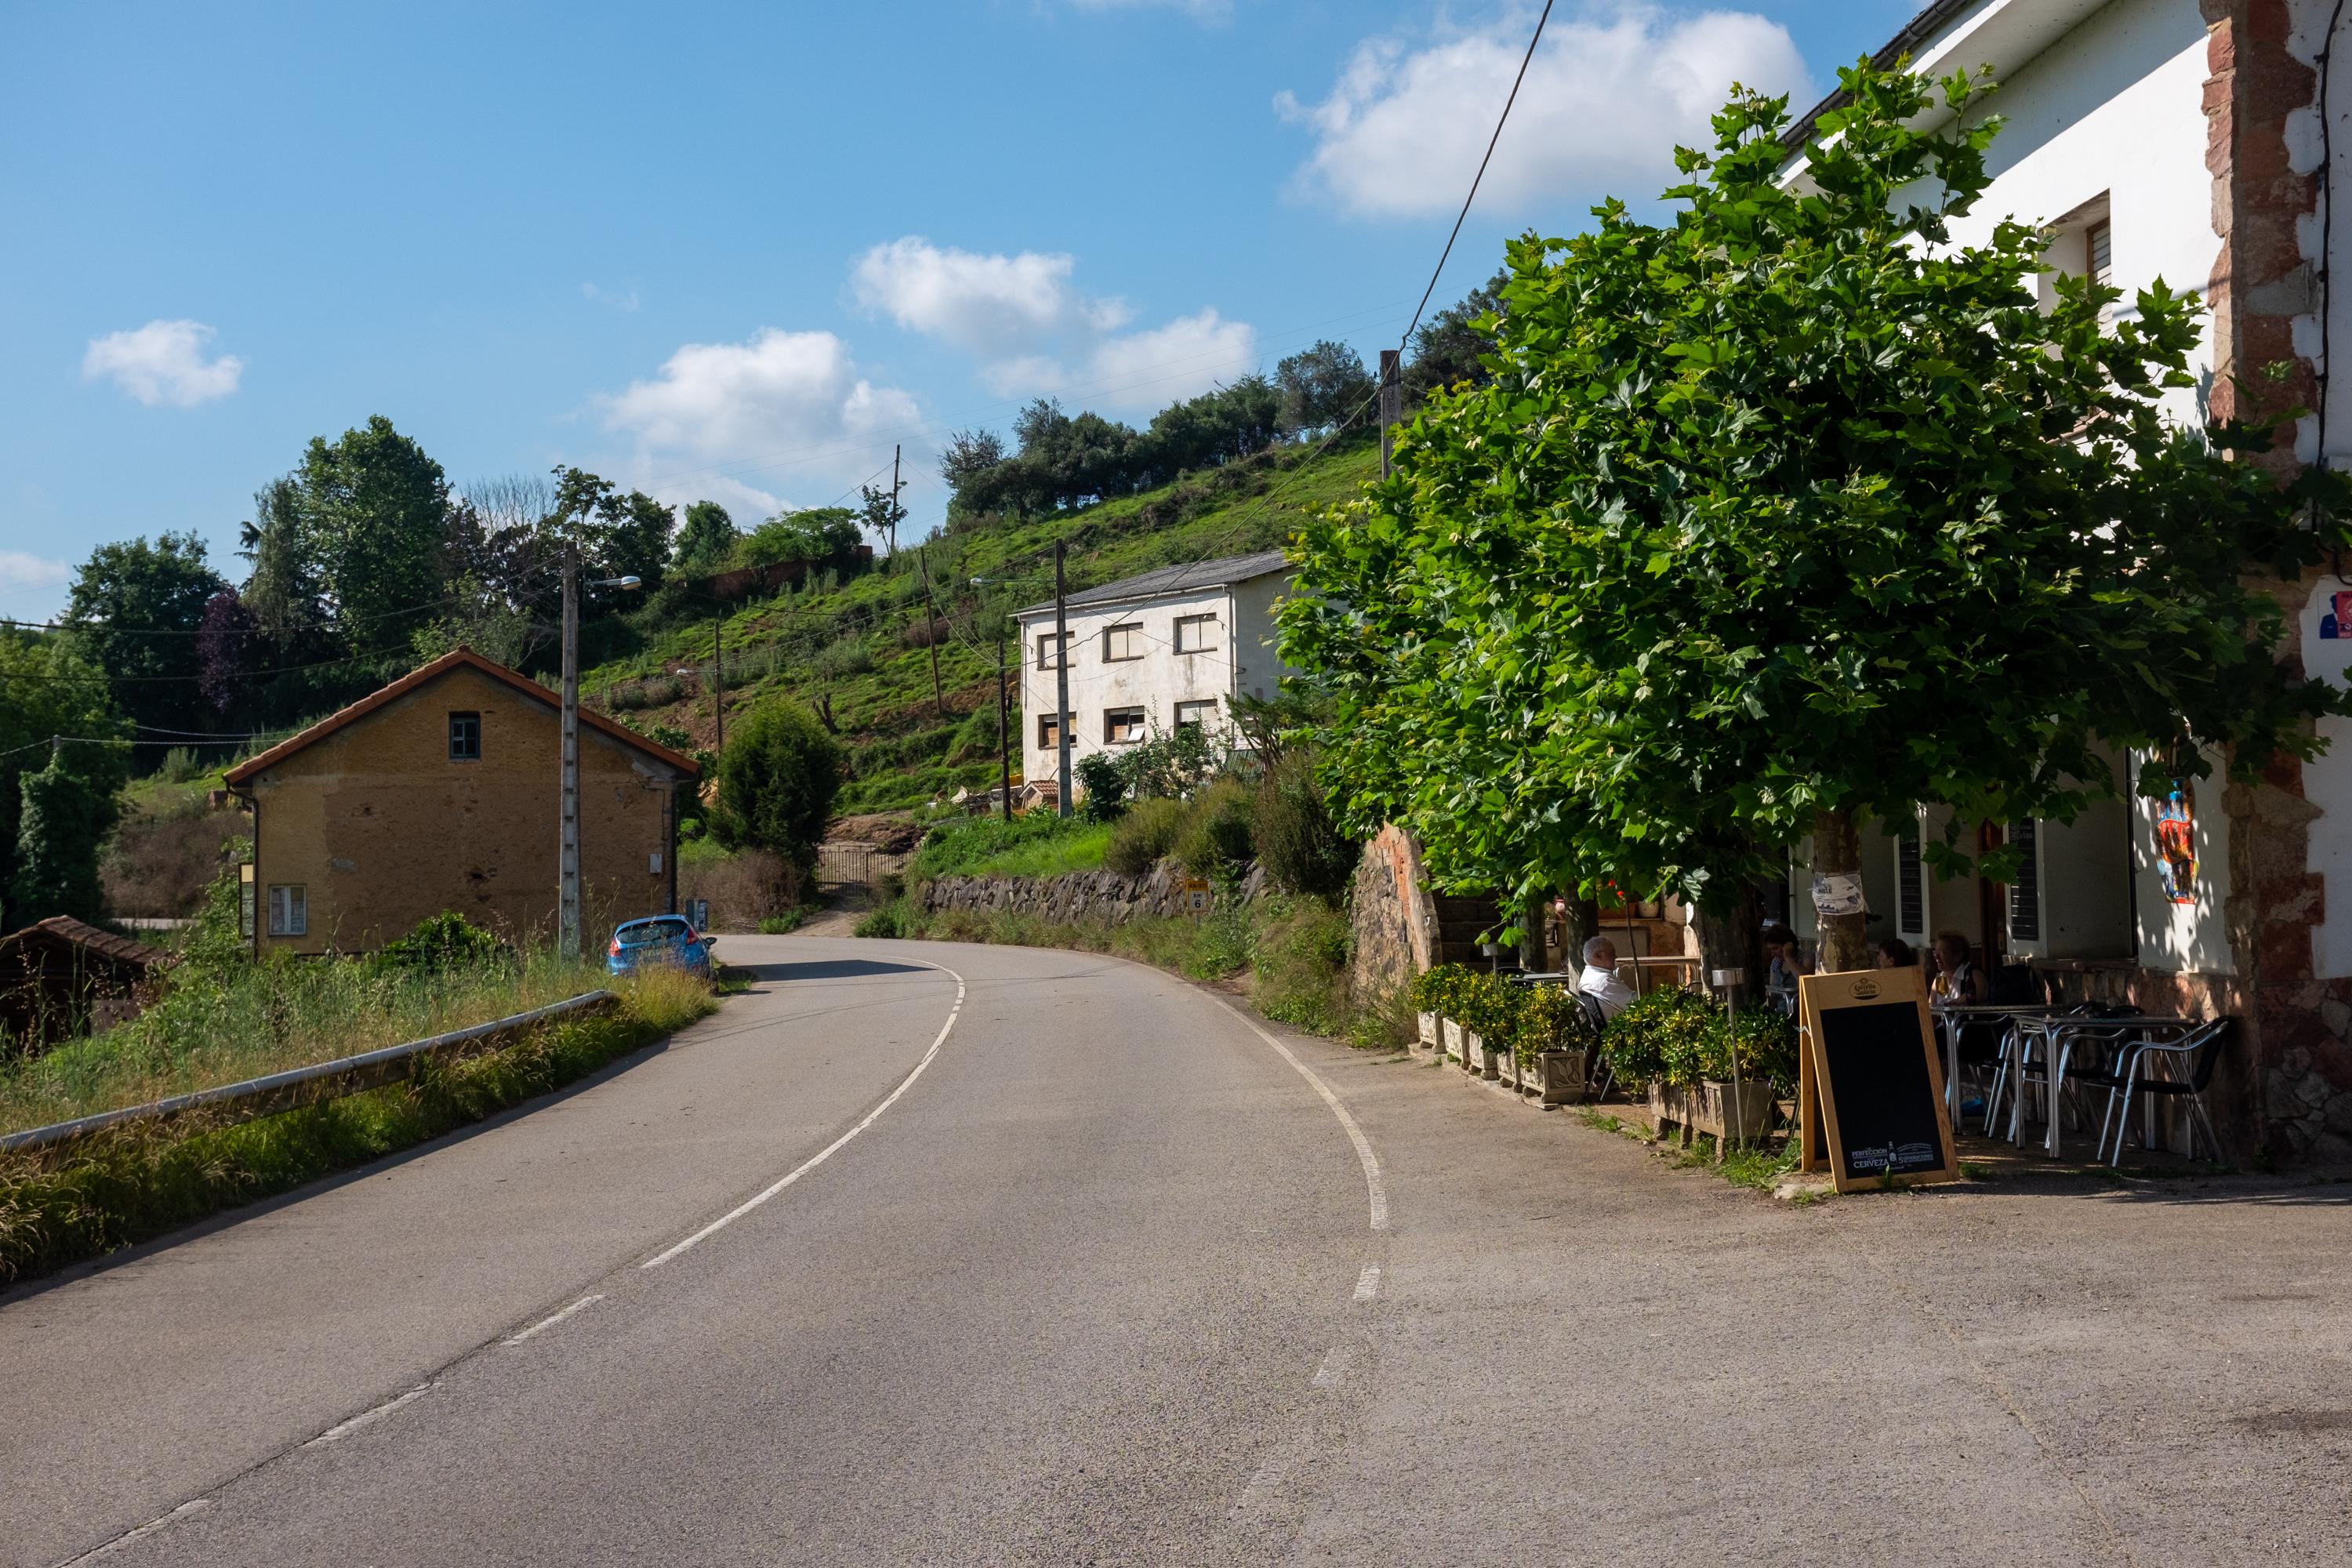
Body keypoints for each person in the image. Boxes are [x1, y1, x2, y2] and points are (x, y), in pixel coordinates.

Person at [1577, 935, 1636, 1022]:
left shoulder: (1587, 975)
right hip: (1623, 1029)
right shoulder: (1604, 980)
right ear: (1598, 956)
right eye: (1612, 953)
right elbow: (1638, 1003)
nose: (1616, 956)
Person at [1762, 923, 1805, 1014]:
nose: (1773, 954)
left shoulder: (1805, 958)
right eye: (1770, 950)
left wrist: (1788, 957)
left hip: (1800, 1014)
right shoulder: (1776, 963)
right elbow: (1773, 991)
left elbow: (1804, 981)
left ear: (1788, 944)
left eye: (1775, 948)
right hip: (1780, 1013)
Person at [1931, 932, 1983, 1004]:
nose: (1936, 957)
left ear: (1958, 956)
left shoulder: (1973, 974)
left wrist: (1951, 1004)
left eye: (1942, 953)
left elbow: (1978, 994)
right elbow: (1931, 1009)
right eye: (1935, 952)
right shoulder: (1940, 979)